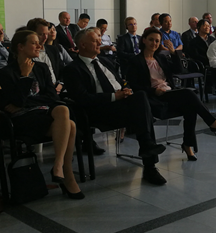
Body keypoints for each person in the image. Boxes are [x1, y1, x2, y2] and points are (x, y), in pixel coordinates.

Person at [62, 28, 167, 185]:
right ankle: (149, 159)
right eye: (95, 40)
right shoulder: (72, 69)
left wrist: (125, 90)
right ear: (83, 45)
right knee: (143, 111)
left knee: (140, 99)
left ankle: (149, 160)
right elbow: (82, 98)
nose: (100, 42)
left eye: (99, 39)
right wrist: (113, 96)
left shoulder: (105, 61)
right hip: (99, 110)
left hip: (121, 104)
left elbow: (120, 82)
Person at [0, 30, 83, 199]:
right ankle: (66, 174)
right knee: (70, 125)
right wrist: (24, 77)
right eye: (34, 43)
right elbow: (17, 101)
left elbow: (52, 97)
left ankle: (59, 165)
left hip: (45, 113)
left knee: (62, 109)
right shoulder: (5, 73)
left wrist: (26, 101)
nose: (39, 46)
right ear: (20, 47)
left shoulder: (41, 68)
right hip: (23, 120)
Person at [126, 28, 216, 160]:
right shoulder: (135, 61)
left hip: (169, 92)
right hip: (153, 96)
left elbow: (179, 70)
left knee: (190, 106)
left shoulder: (160, 58)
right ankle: (211, 123)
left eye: (157, 41)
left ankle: (188, 144)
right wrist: (154, 91)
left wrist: (173, 53)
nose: (154, 43)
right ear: (144, 40)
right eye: (151, 40)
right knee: (189, 93)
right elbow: (134, 85)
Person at [26, 19, 65, 96]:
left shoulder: (53, 50)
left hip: (57, 89)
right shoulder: (26, 53)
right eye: (41, 34)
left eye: (47, 34)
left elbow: (62, 70)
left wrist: (61, 84)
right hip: (40, 94)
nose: (45, 37)